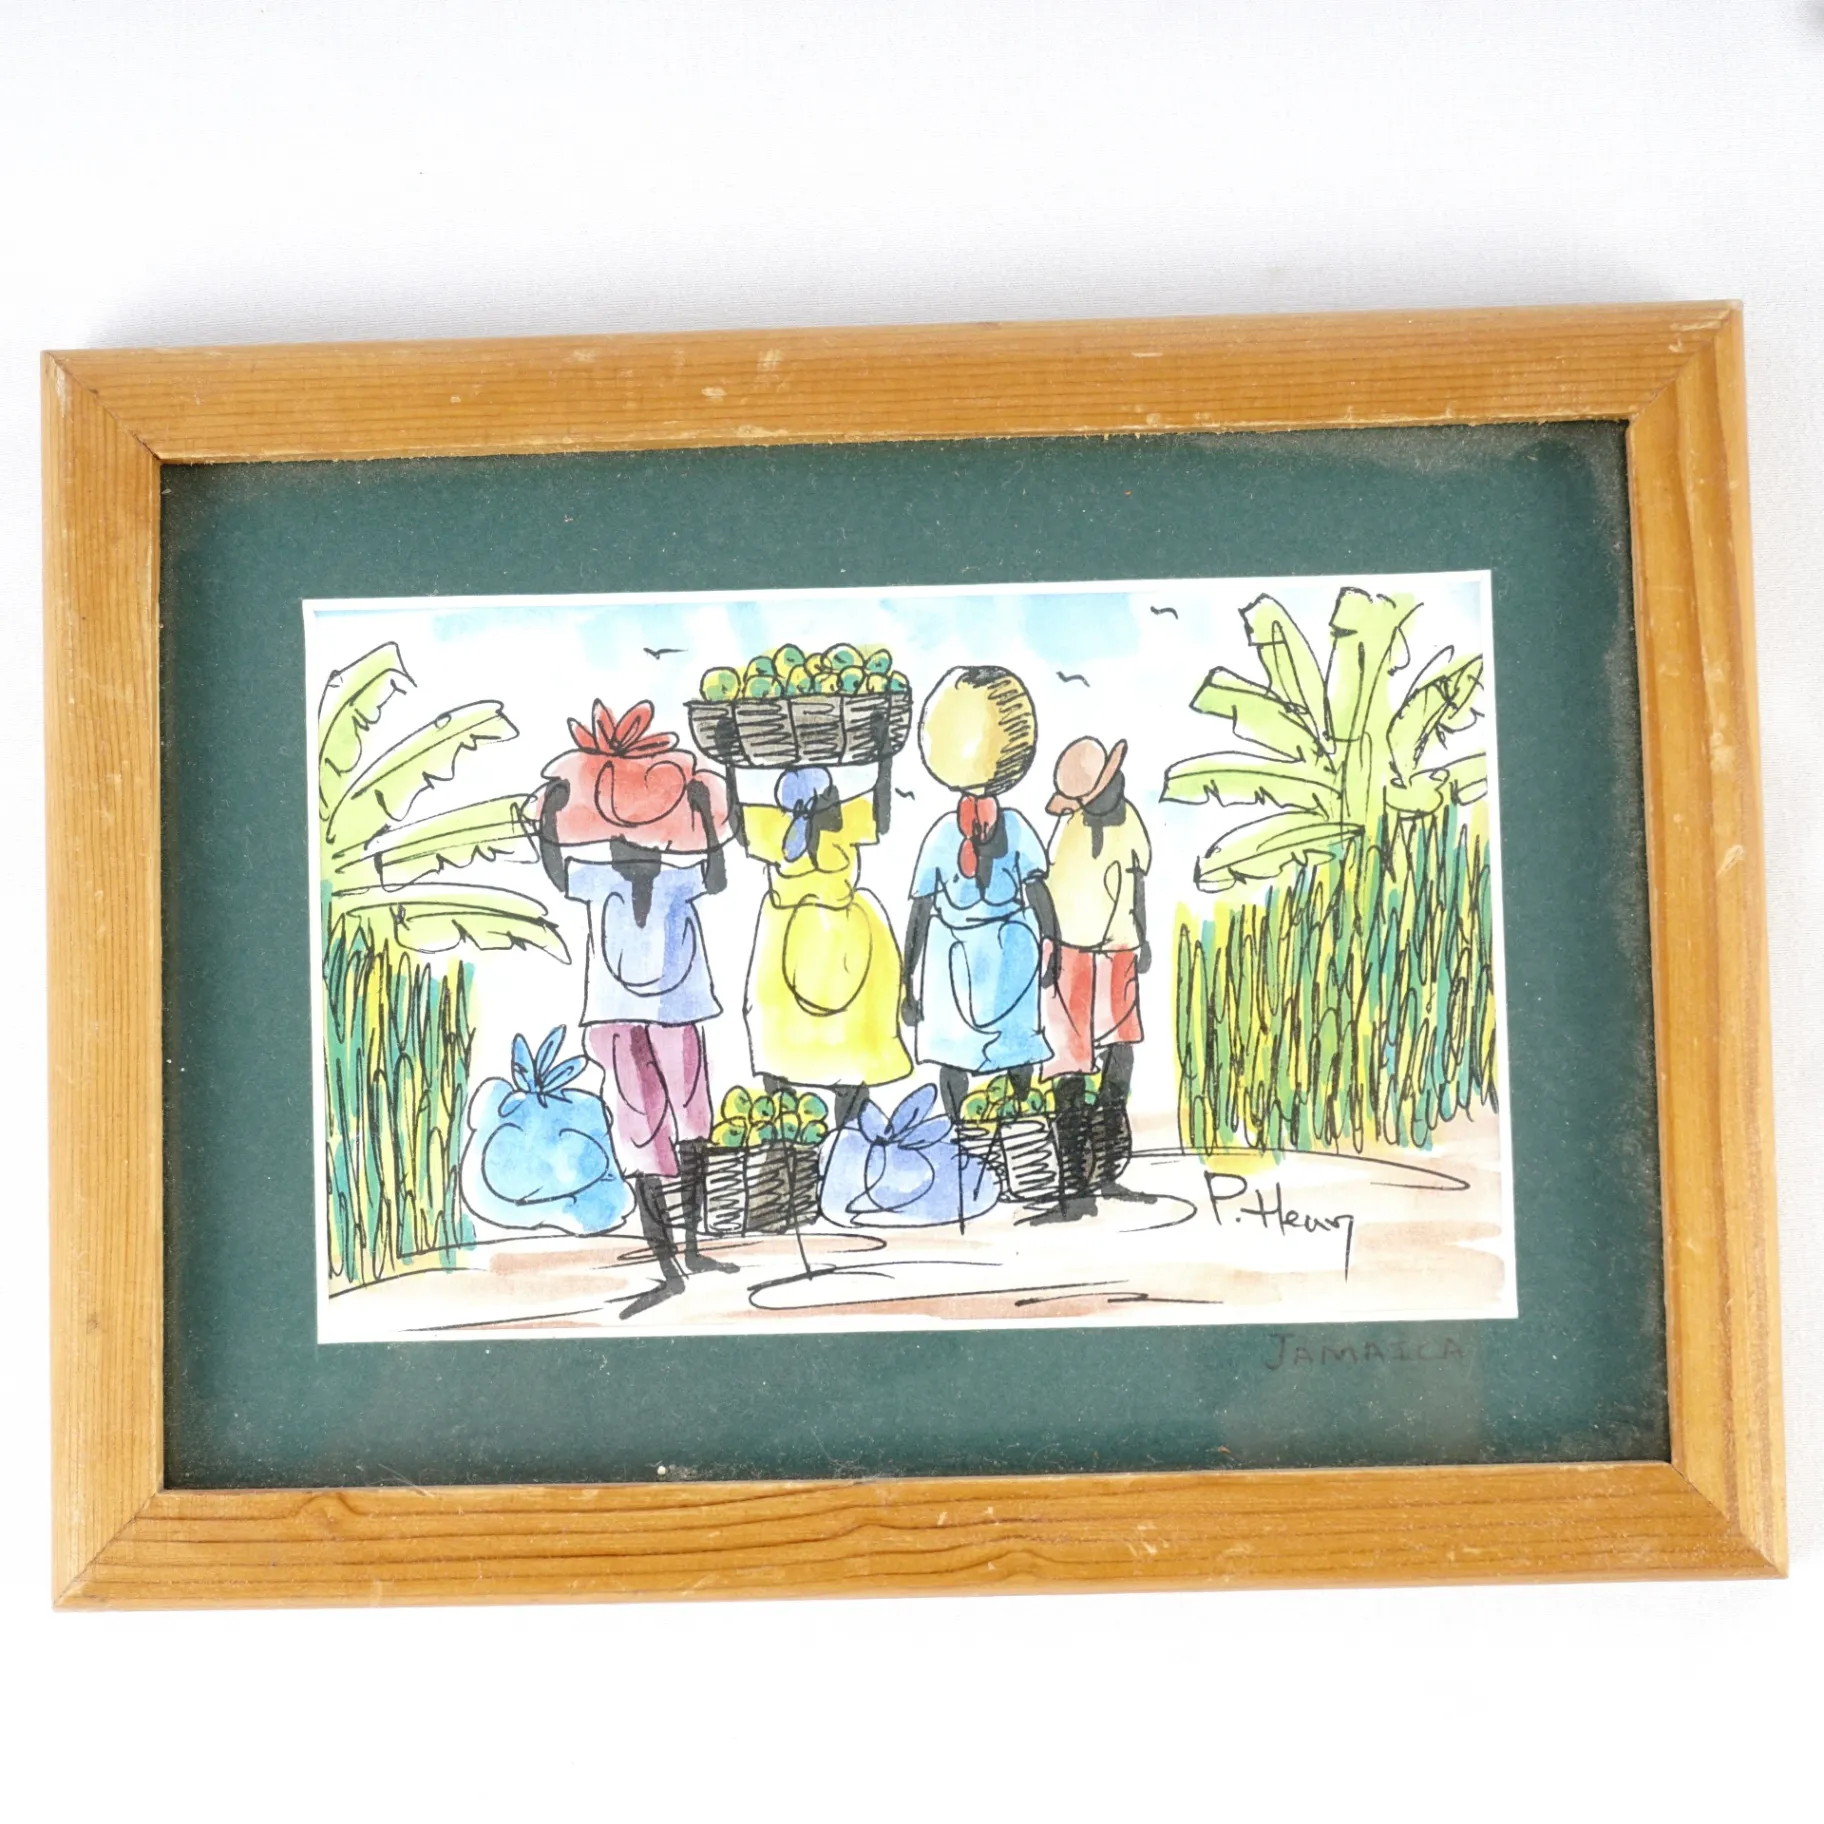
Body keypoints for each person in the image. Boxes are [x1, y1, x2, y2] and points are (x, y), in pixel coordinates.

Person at [532, 699, 740, 1318]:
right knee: (642, 1137)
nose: (629, 846)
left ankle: (693, 1248)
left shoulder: (677, 880)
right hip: (619, 1021)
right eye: (620, 837)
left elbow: (717, 876)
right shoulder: (599, 882)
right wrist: (547, 818)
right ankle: (667, 1264)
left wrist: (705, 816)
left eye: (641, 837)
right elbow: (558, 871)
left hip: (678, 1013)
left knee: (693, 1126)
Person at [900, 666, 1059, 1124]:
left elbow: (1038, 892)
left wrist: (1053, 946)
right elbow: (920, 910)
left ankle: (1020, 1123)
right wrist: (907, 981)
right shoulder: (941, 837)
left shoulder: (1019, 829)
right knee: (953, 1057)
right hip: (951, 959)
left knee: (1018, 1050)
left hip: (1012, 954)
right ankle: (958, 1131)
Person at [737, 759, 912, 1131]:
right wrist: (728, 768)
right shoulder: (777, 828)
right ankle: (789, 1136)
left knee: (851, 1049)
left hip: (844, 942)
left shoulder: (843, 822)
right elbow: (738, 823)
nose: (839, 800)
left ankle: (849, 1136)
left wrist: (885, 758)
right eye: (831, 795)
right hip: (789, 943)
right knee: (778, 1038)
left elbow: (880, 815)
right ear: (813, 804)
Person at [1040, 734, 1152, 1212]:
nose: (1117, 787)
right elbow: (1044, 892)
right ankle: (1074, 1182)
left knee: (1120, 1054)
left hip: (1118, 949)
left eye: (1113, 779)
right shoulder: (1066, 832)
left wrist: (1143, 936)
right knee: (1069, 1065)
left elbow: (1137, 880)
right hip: (1070, 955)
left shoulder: (1131, 821)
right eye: (1106, 785)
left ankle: (1106, 1170)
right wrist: (1048, 951)